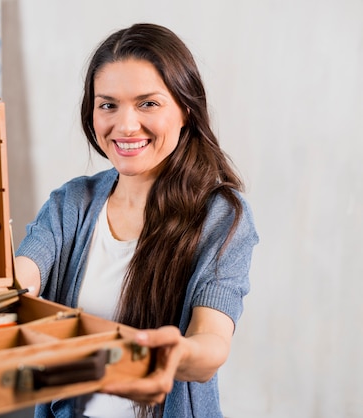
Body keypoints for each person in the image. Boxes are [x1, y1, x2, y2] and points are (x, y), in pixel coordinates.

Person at [14, 22, 259, 418]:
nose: (125, 125)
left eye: (147, 103)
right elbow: (19, 278)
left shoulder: (221, 215)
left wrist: (179, 354)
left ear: (185, 110)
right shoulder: (71, 202)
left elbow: (211, 343)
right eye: (108, 105)